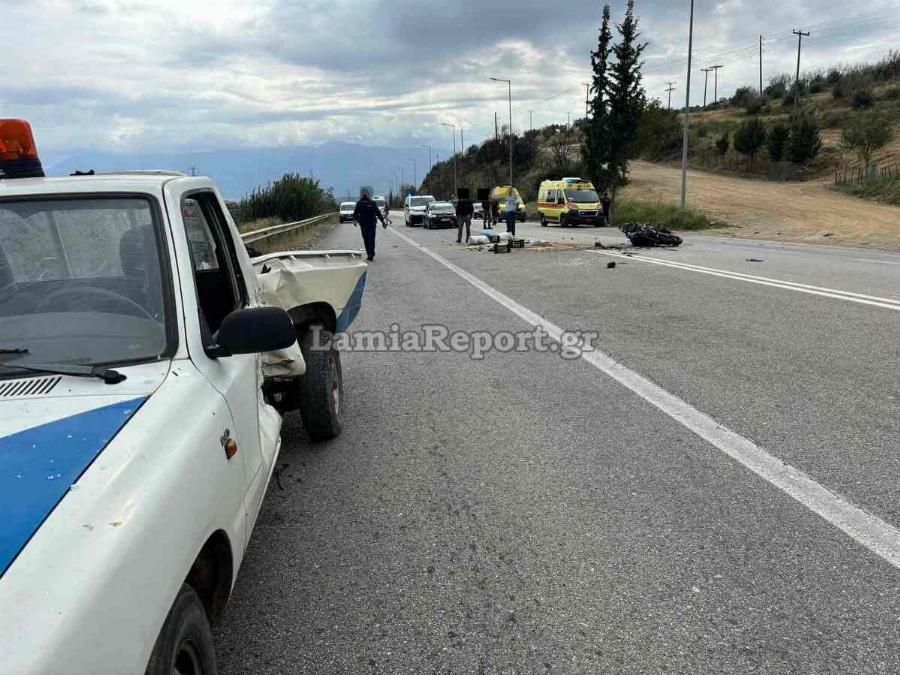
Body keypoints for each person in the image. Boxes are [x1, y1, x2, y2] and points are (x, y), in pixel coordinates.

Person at [352, 190, 387, 261]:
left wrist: (383, 221)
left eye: (366, 194)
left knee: (371, 239)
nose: (365, 196)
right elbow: (355, 213)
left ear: (368, 196)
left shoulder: (372, 203)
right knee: (366, 239)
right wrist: (355, 220)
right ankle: (369, 254)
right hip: (363, 225)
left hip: (372, 224)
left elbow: (378, 213)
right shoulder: (359, 203)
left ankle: (371, 254)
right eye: (364, 194)